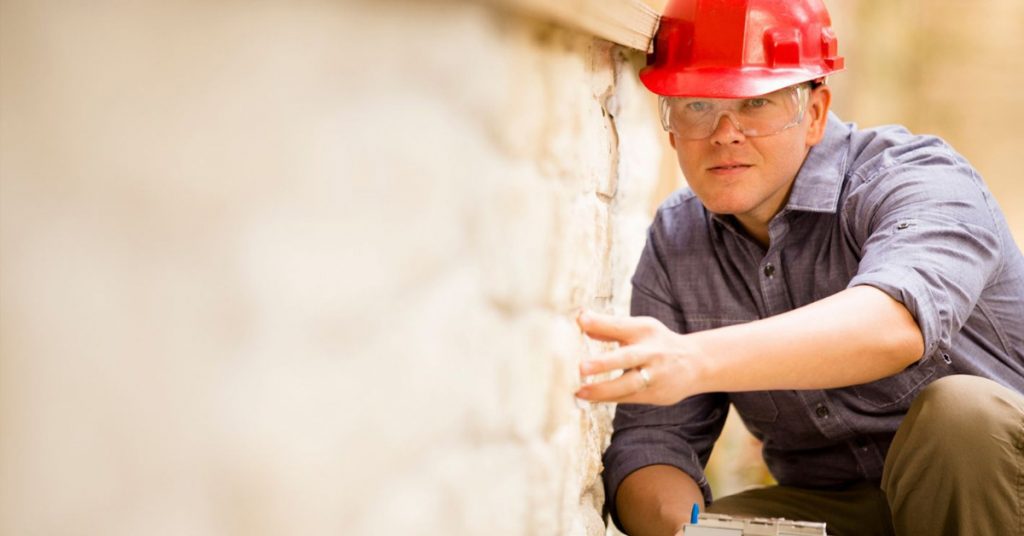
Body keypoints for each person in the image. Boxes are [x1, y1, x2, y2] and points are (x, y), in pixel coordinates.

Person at [573, 1, 1024, 535]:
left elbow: (893, 326)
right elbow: (655, 441)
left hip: (992, 496)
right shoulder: (678, 239)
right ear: (671, 126)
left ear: (813, 113)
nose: (724, 132)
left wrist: (695, 359)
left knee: (961, 415)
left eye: (756, 102)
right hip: (841, 508)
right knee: (727, 527)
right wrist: (689, 530)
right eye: (696, 103)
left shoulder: (916, 180)